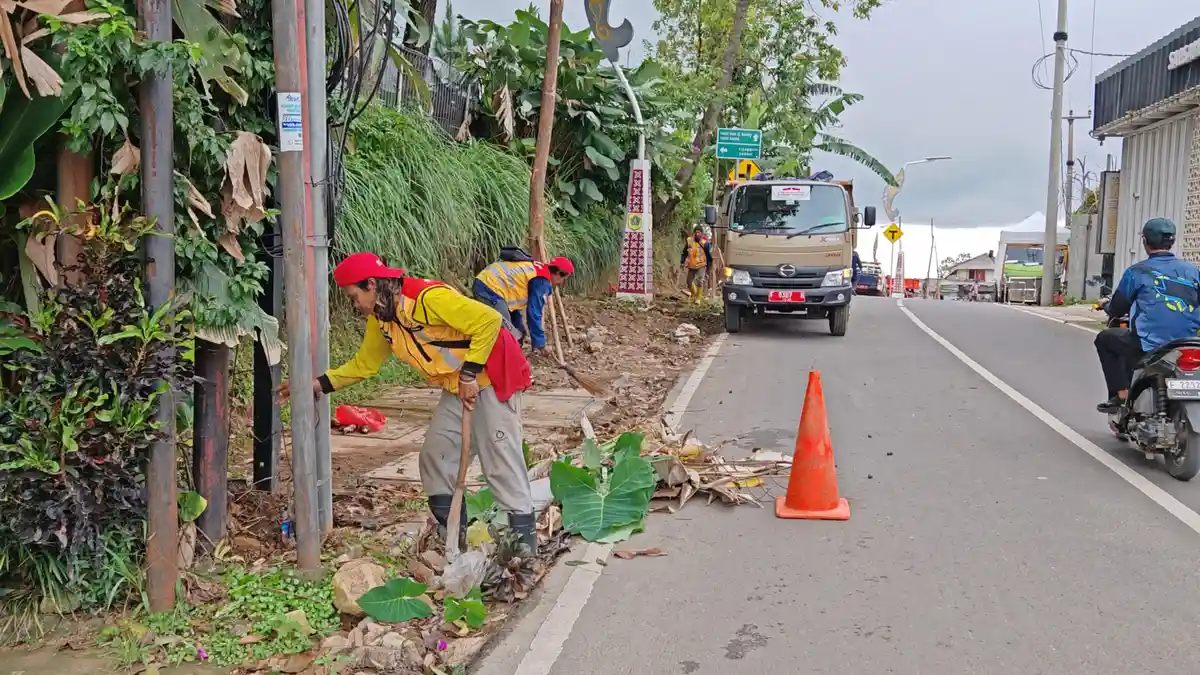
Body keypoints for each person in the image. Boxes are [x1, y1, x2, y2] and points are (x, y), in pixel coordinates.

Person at [278, 253, 538, 552]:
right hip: (457, 387)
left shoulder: (428, 299)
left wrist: (469, 374)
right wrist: (318, 385)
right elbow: (365, 364)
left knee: (501, 464)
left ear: (372, 285)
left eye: (354, 296)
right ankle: (453, 541)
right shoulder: (383, 319)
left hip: (492, 379)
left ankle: (523, 554)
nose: (355, 305)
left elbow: (489, 321)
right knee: (435, 456)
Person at [1095, 218, 1200, 413]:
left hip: (1149, 344)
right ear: (1172, 241)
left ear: (1145, 241)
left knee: (1105, 339)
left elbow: (1118, 309)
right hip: (1188, 342)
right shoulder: (1193, 271)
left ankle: (1121, 395)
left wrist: (1106, 305)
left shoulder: (1138, 272)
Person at [473, 254, 574, 358]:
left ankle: (515, 360)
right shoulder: (541, 281)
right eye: (564, 278)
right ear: (558, 273)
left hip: (495, 286)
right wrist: (541, 344)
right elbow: (534, 313)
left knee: (519, 331)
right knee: (508, 334)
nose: (562, 282)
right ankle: (494, 362)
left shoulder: (538, 270)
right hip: (488, 288)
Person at [680, 225, 713, 303]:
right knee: (689, 282)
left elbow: (709, 257)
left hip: (701, 265)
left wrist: (708, 269)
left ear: (702, 233)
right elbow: (684, 253)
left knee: (700, 281)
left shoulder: (705, 243)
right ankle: (694, 294)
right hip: (691, 265)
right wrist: (682, 262)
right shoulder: (689, 241)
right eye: (696, 232)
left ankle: (698, 298)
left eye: (699, 232)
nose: (697, 234)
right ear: (694, 233)